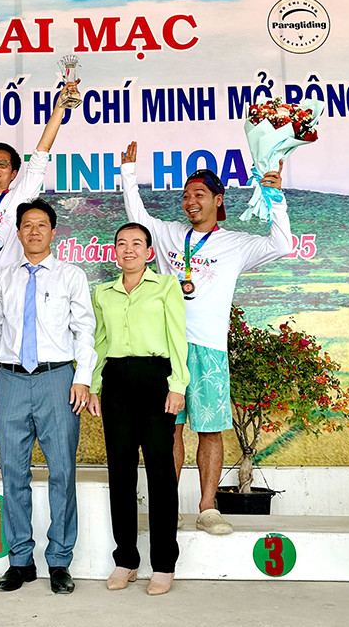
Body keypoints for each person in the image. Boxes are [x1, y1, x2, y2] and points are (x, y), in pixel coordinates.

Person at [121, 141, 292, 535]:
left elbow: (281, 244)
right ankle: (168, 506)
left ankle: (207, 508)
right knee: (170, 430)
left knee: (210, 429)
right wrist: (129, 175)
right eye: (185, 195)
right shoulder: (167, 235)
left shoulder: (235, 244)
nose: (190, 201)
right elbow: (138, 215)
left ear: (218, 199)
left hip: (210, 349)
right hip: (167, 349)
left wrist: (276, 199)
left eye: (199, 194)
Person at [0, 82, 80, 479]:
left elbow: (41, 155)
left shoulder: (21, 197)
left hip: (16, 295)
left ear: (14, 172)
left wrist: (58, 112)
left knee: (11, 373)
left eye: (2, 163)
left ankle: (10, 453)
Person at [0, 198, 97, 595]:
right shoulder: (5, 277)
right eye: (26, 225)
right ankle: (20, 561)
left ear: (53, 231)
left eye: (41, 225)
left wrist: (82, 378)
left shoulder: (70, 276)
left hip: (57, 379)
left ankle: (60, 561)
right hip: (10, 380)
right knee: (13, 473)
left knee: (62, 471)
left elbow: (84, 331)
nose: (33, 231)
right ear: (18, 231)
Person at [89, 221, 189, 595]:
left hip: (155, 378)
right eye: (121, 243)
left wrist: (178, 385)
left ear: (149, 251)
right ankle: (126, 560)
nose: (128, 249)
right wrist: (95, 385)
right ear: (113, 251)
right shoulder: (103, 293)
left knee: (161, 472)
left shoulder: (165, 286)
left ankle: (163, 564)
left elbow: (178, 337)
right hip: (116, 380)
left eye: (136, 243)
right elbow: (99, 342)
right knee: (121, 473)